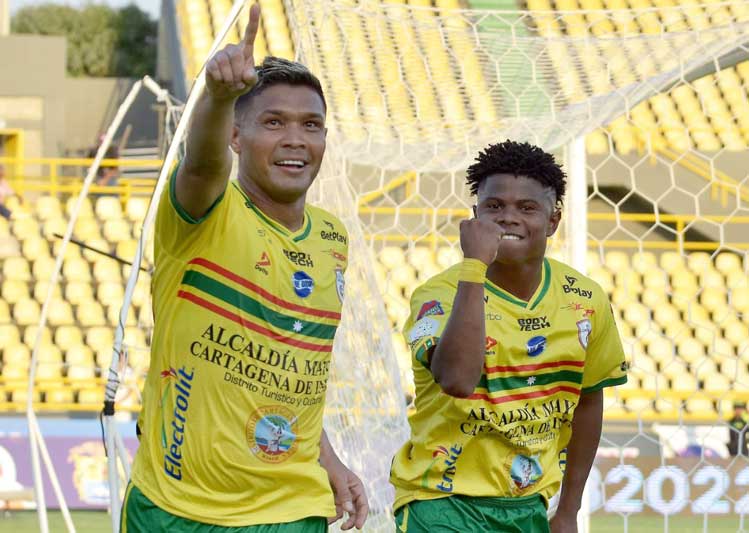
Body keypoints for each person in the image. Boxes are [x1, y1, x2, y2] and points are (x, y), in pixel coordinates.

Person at [123, 5, 368, 532]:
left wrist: (328, 458)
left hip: (290, 509)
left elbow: (293, 379)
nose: (296, 139)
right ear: (237, 136)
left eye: (311, 125)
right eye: (273, 122)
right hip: (175, 508)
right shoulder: (203, 211)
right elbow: (202, 163)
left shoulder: (332, 238)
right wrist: (217, 97)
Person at [390, 140, 628, 532]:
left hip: (527, 505)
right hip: (441, 503)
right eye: (494, 207)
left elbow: (588, 401)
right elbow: (457, 379)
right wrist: (474, 267)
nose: (508, 218)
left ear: (553, 220)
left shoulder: (585, 299)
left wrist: (568, 509)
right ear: (475, 216)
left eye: (527, 208)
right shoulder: (437, 295)